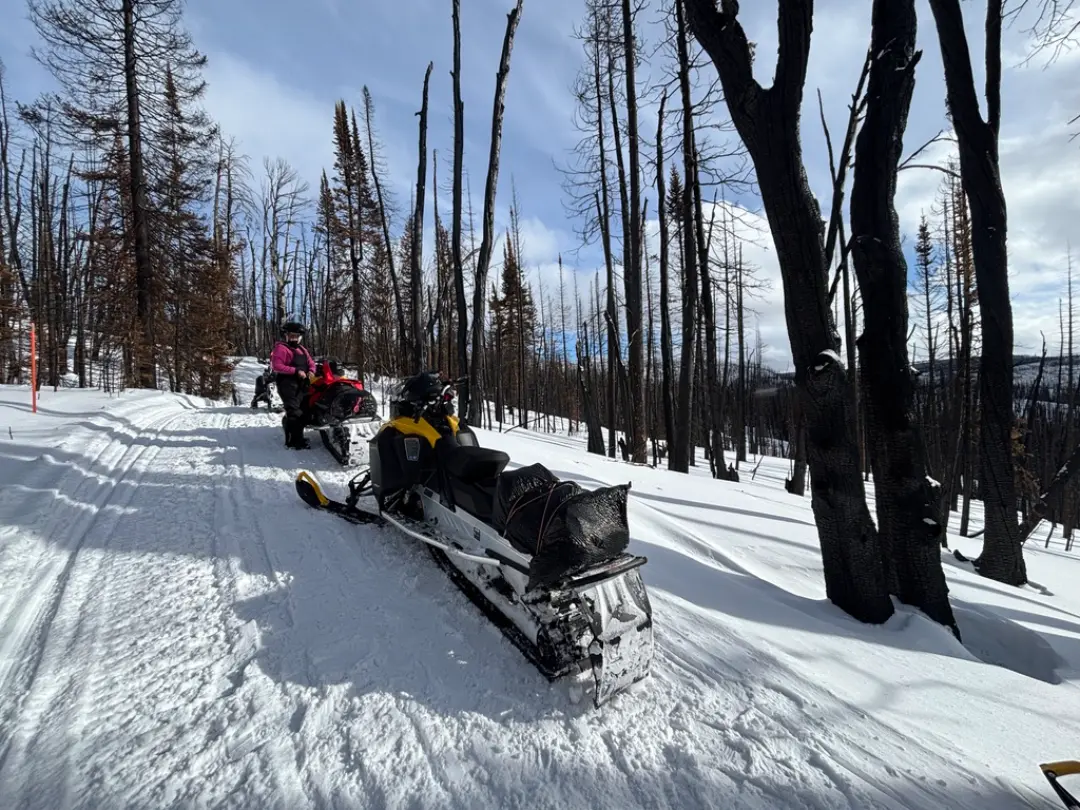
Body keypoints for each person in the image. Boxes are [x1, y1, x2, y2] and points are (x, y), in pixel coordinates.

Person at [270, 321, 316, 449]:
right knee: (294, 412)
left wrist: (311, 371)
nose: (294, 338)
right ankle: (293, 441)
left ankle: (298, 435)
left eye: (296, 336)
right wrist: (295, 371)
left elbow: (311, 362)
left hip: (302, 384)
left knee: (306, 411)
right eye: (291, 335)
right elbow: (277, 366)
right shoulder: (281, 348)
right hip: (287, 383)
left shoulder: (302, 349)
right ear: (286, 335)